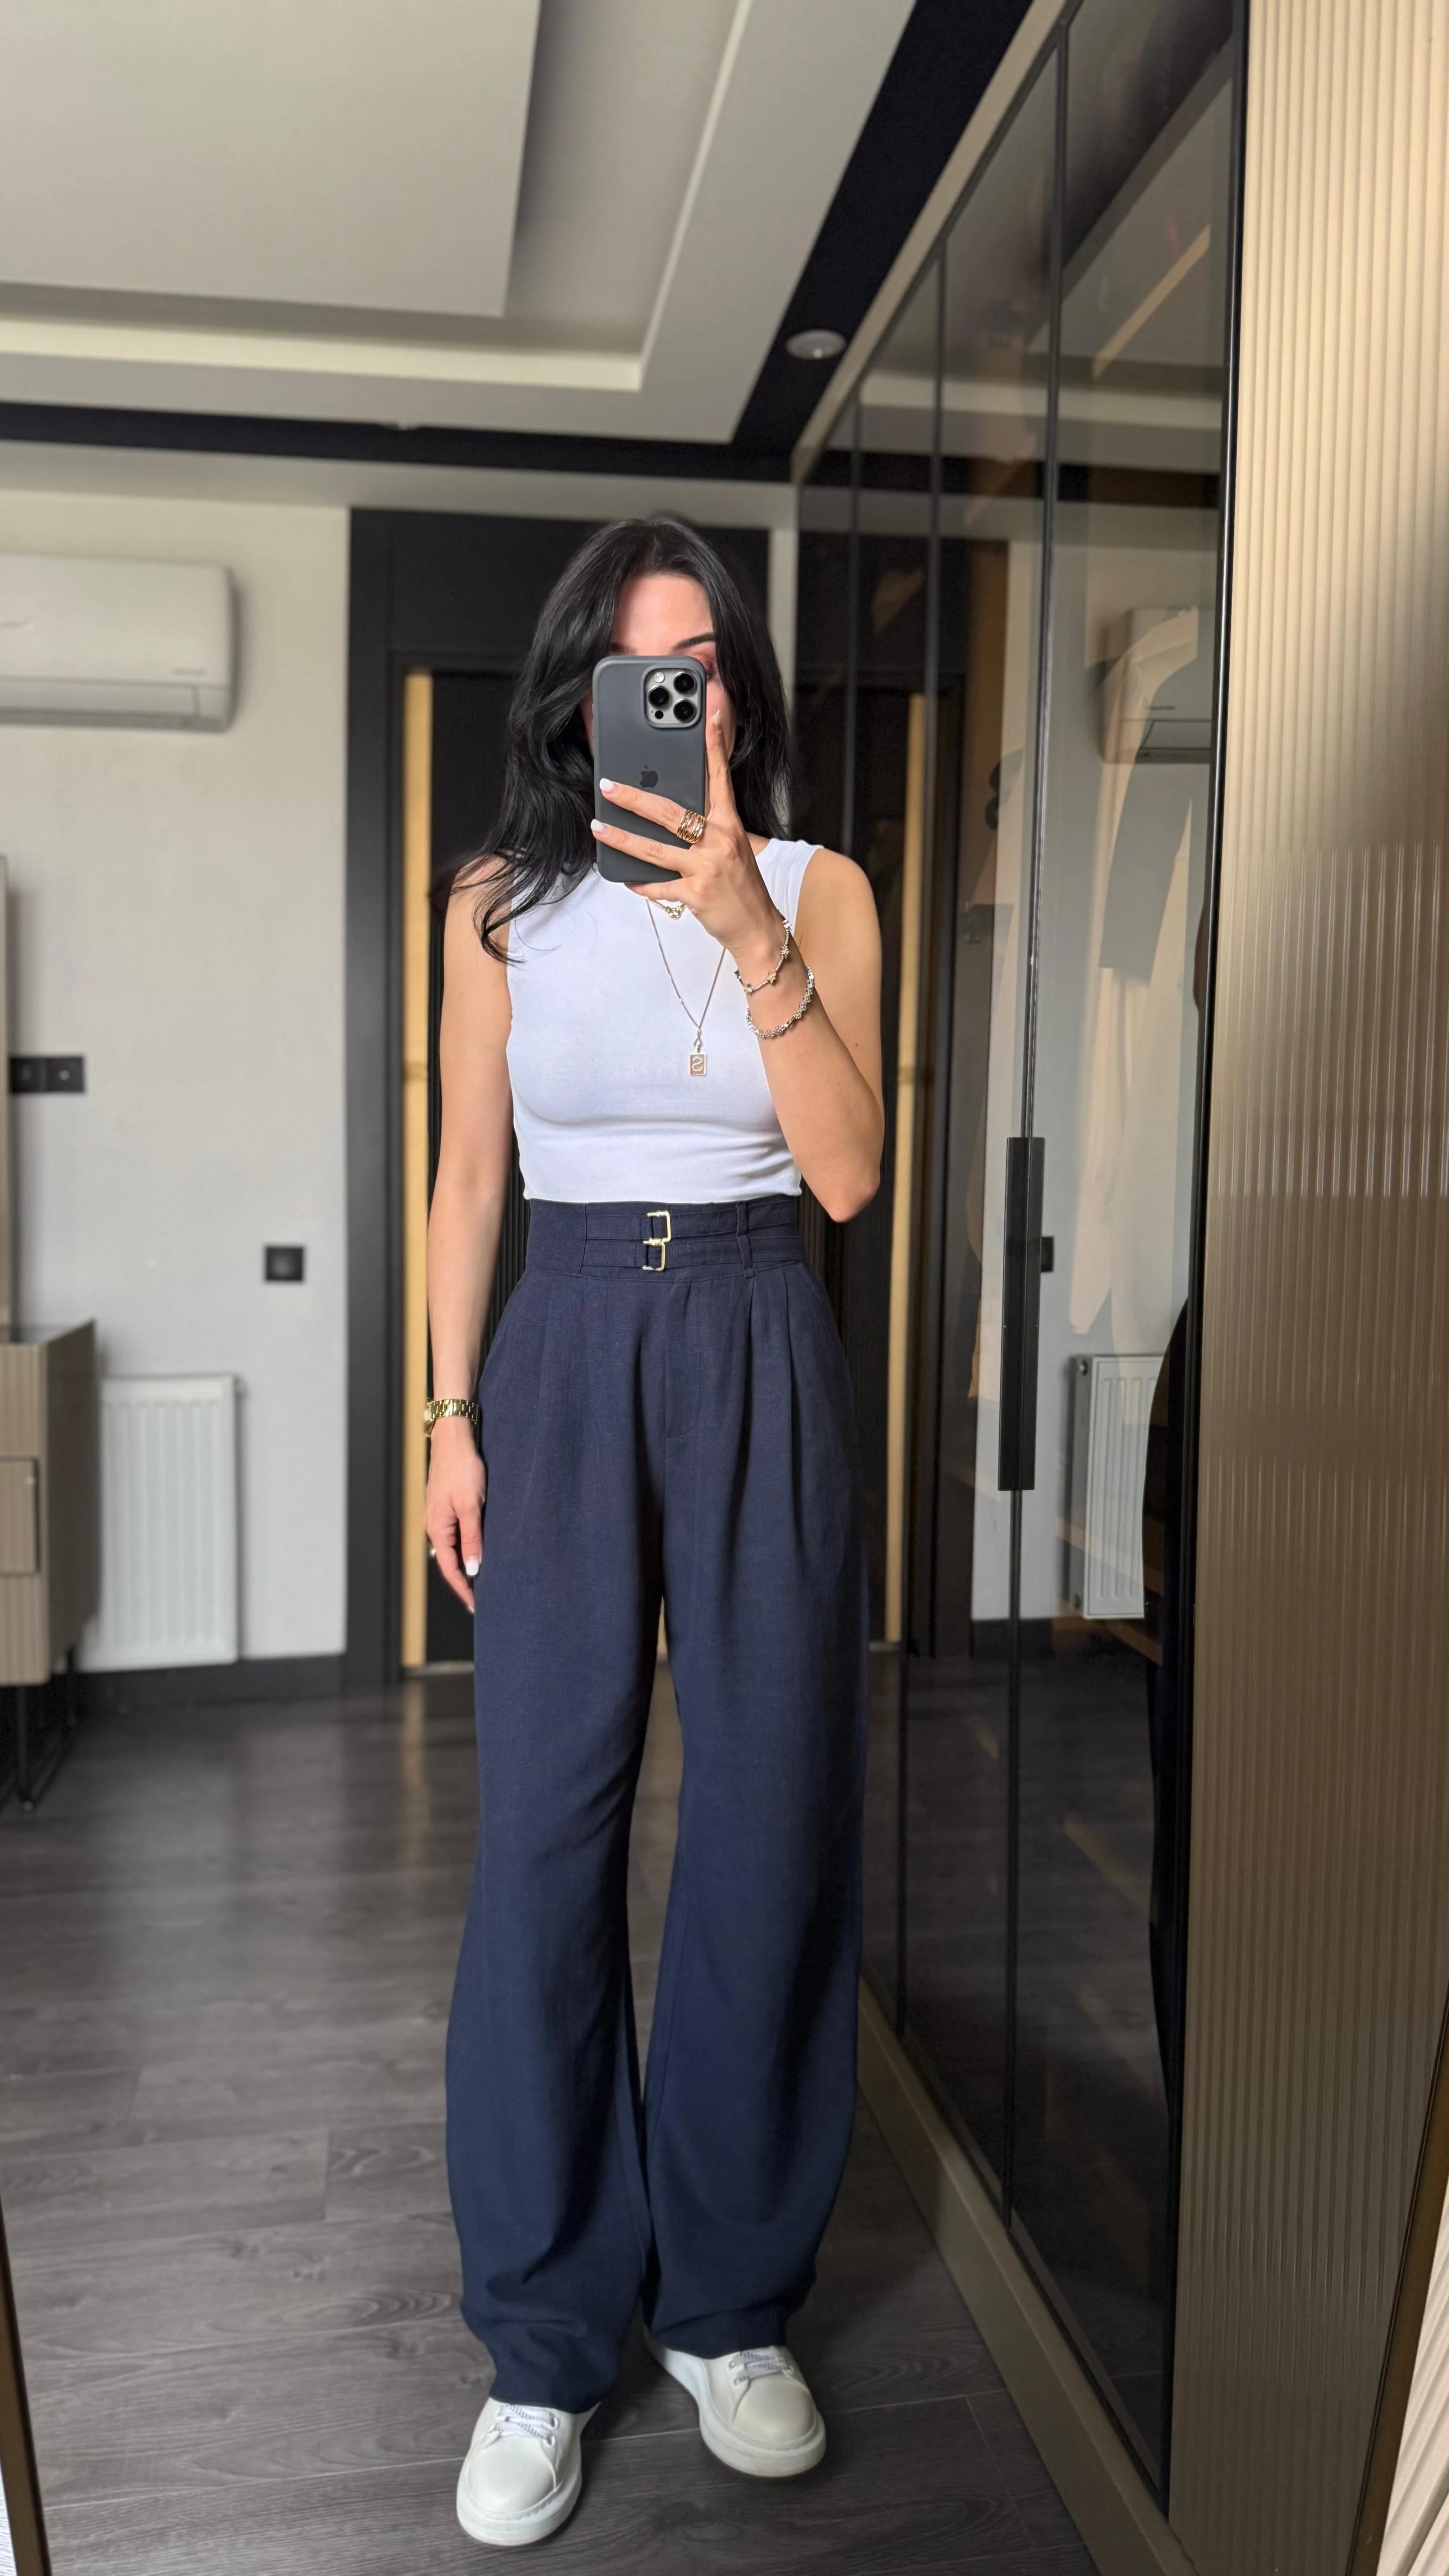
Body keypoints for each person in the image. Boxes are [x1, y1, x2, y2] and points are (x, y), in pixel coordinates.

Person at [424, 517, 883, 2549]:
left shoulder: (822, 888)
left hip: (764, 1324)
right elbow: (469, 1177)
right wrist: (445, 1415)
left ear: (737, 697)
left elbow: (851, 1177)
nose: (669, 702)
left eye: (695, 669)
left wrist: (745, 919)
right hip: (568, 1336)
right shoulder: (500, 905)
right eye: (635, 672)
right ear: (581, 696)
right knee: (545, 1832)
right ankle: (542, 2340)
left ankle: (729, 2303)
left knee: (773, 1817)